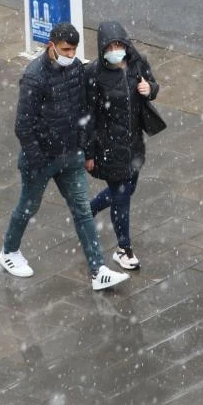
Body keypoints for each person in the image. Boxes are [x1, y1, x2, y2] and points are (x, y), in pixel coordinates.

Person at [0, 22, 130, 291]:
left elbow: (82, 109)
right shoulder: (34, 77)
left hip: (70, 155)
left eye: (73, 50)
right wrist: (37, 159)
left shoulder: (76, 70)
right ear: (51, 46)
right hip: (42, 159)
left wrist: (81, 146)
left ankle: (98, 270)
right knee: (28, 206)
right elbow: (23, 125)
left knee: (82, 210)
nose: (70, 55)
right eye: (65, 50)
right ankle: (9, 252)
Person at [85, 21, 160, 271]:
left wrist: (149, 89)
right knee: (121, 197)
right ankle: (124, 249)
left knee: (128, 190)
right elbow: (89, 118)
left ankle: (88, 210)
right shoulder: (95, 74)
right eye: (110, 46)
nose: (115, 50)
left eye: (119, 45)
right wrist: (89, 153)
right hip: (109, 147)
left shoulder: (138, 63)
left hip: (134, 143)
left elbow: (153, 87)